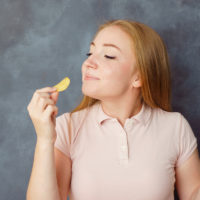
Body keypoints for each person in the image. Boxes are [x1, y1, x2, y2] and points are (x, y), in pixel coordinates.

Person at [26, 19, 200, 200]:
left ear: (139, 77)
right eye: (90, 52)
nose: (88, 63)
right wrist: (45, 139)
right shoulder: (66, 127)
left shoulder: (175, 126)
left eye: (108, 55)